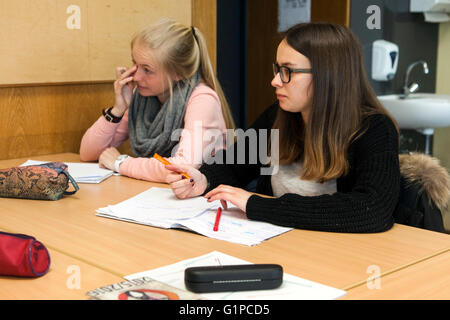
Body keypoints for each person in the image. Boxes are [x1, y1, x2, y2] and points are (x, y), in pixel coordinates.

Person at [165, 22, 401, 233]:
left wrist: (258, 205)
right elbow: (236, 164)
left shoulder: (374, 129)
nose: (275, 80)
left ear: (327, 76)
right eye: (277, 69)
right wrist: (203, 179)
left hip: (338, 256)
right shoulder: (280, 114)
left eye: (287, 71)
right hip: (279, 243)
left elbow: (371, 210)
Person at [80, 18, 235, 182]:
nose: (137, 76)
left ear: (178, 74)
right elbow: (88, 153)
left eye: (147, 70)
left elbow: (185, 167)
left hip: (204, 200)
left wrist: (121, 163)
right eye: (135, 63)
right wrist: (118, 110)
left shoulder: (203, 99)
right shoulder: (142, 98)